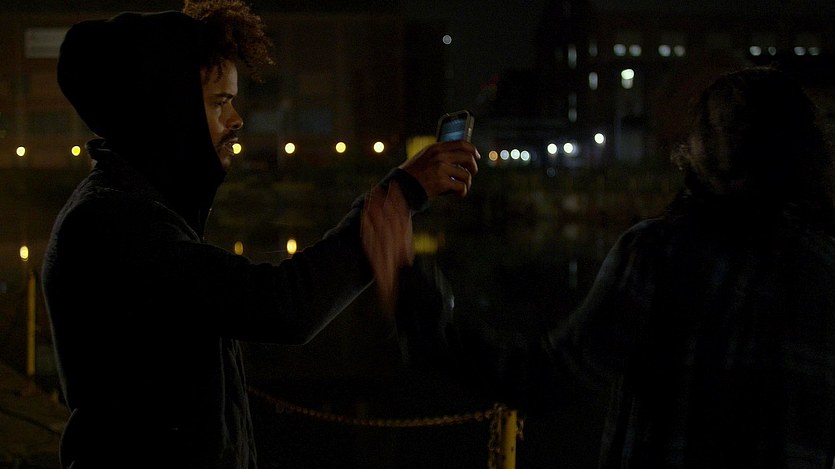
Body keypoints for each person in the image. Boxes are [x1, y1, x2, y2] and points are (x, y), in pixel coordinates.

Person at [41, 1, 479, 467]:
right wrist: (400, 196)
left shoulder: (140, 208)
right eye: (219, 103)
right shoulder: (116, 224)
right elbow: (282, 306)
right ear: (166, 112)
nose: (236, 119)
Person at [399, 66, 835, 468]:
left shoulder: (662, 250)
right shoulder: (825, 264)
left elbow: (552, 378)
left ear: (707, 149)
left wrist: (426, 319)